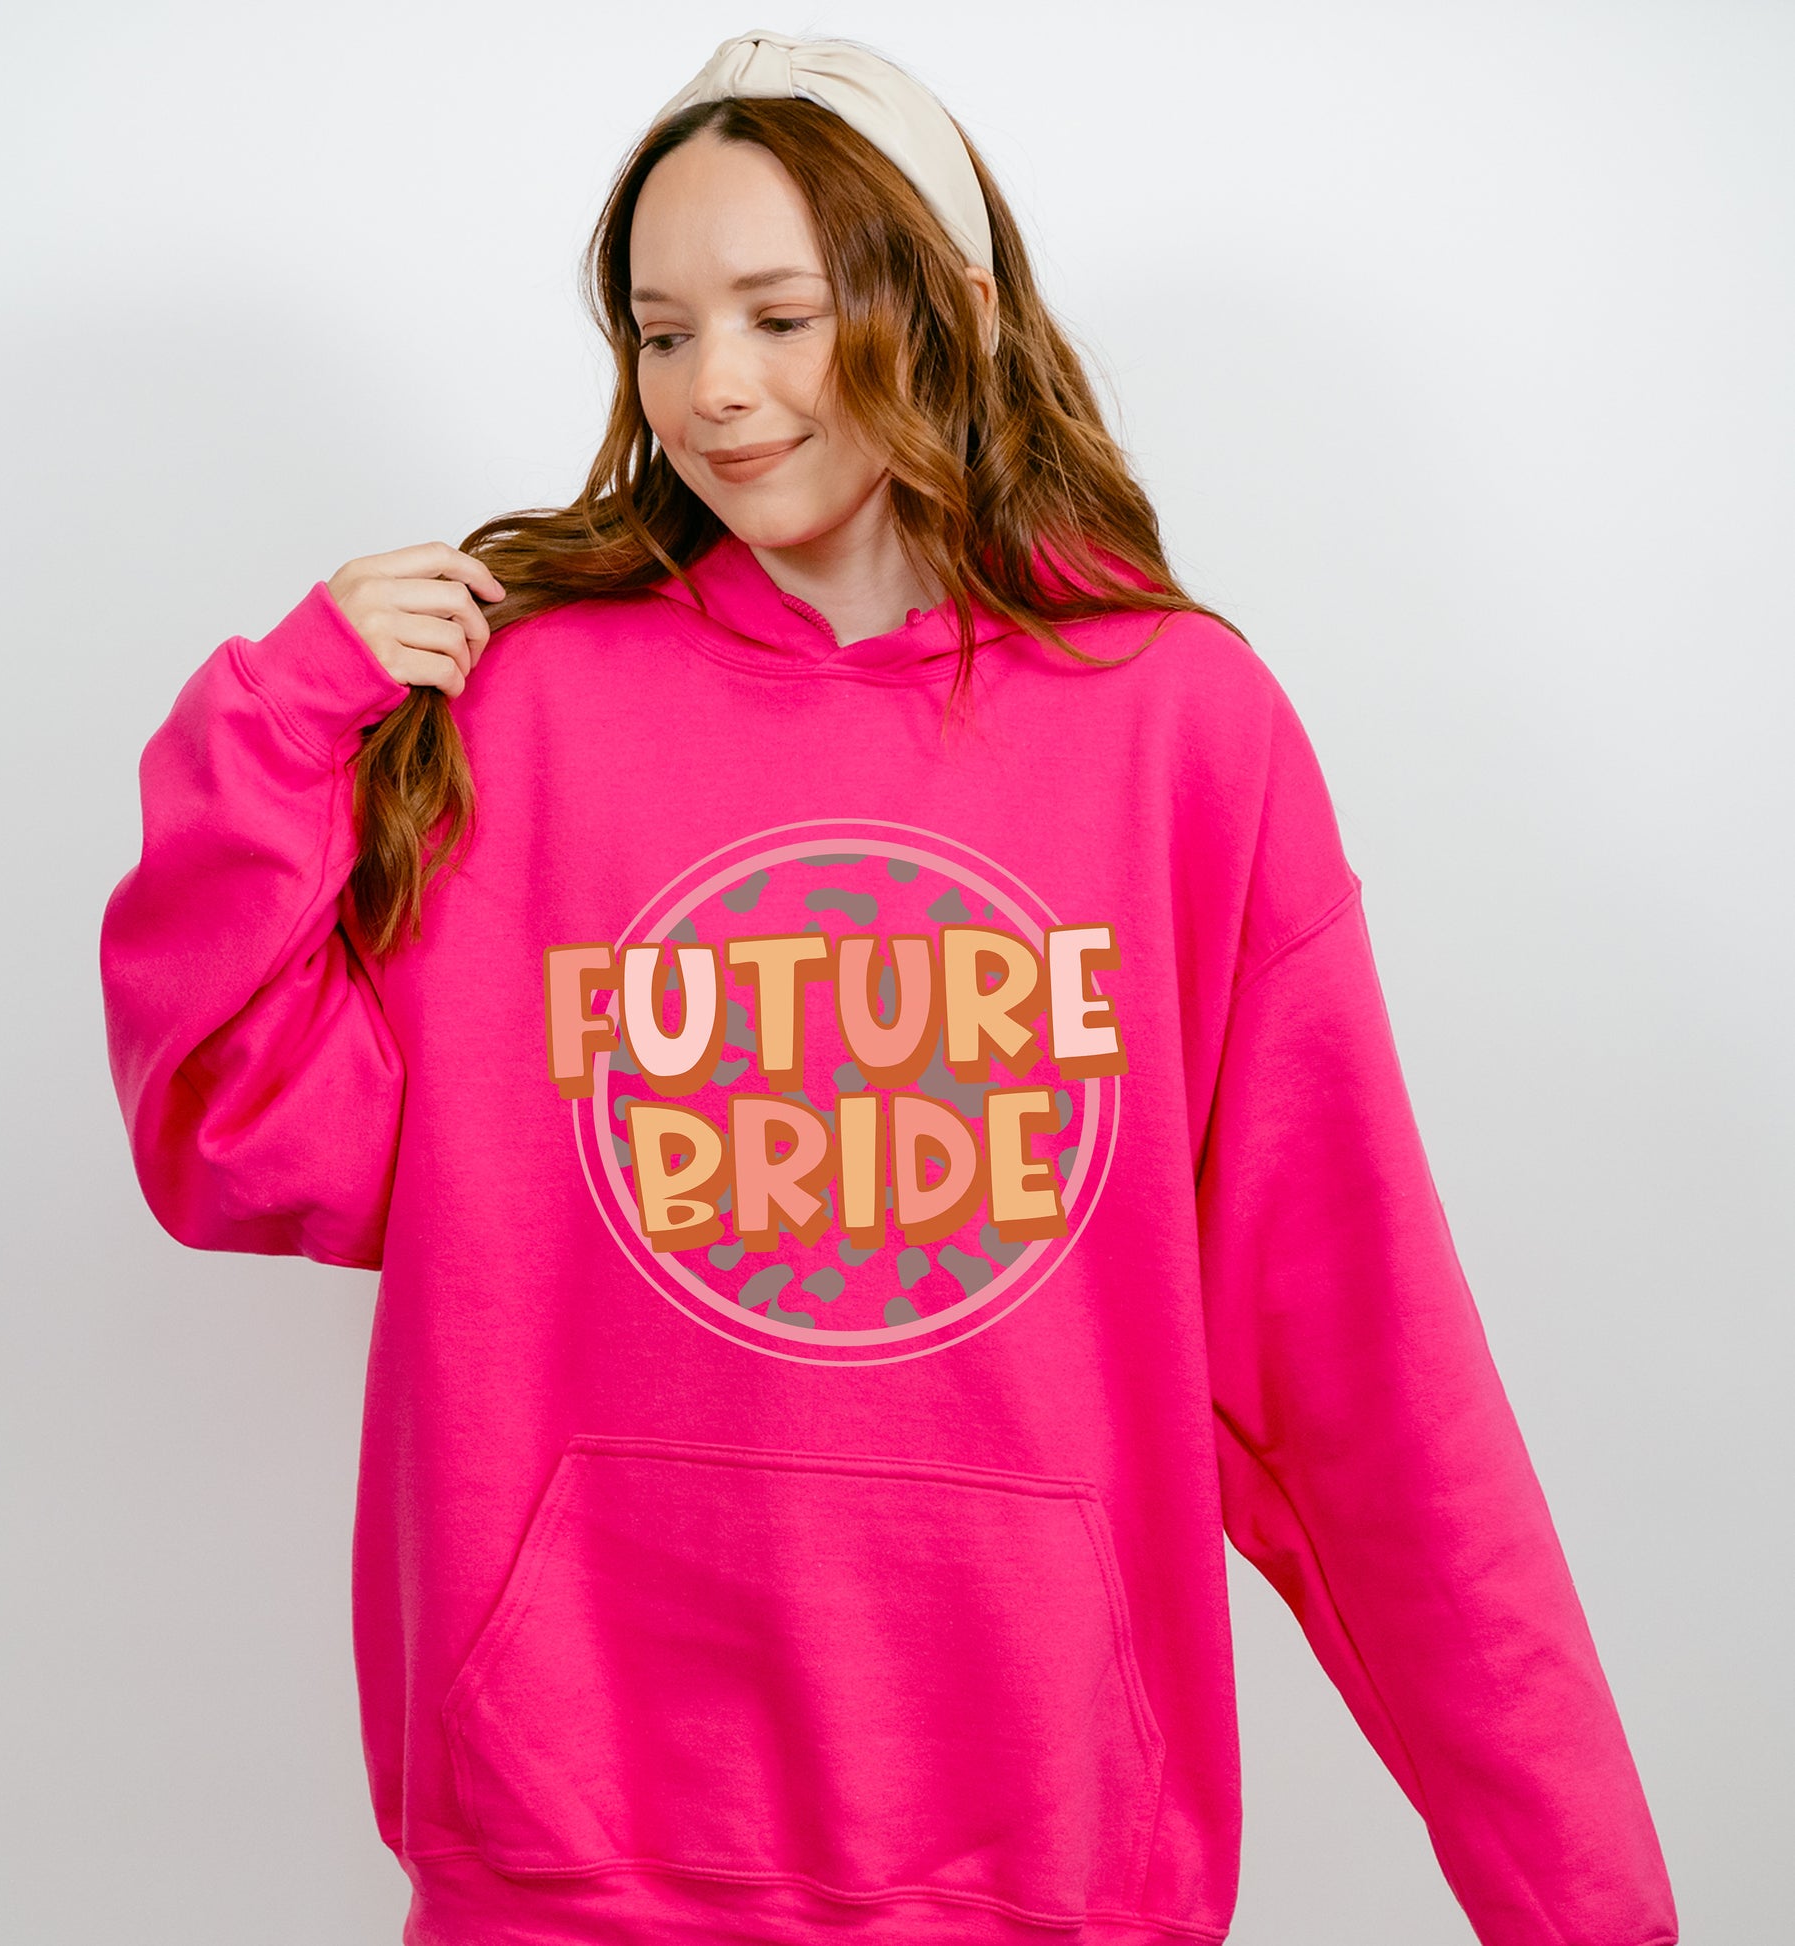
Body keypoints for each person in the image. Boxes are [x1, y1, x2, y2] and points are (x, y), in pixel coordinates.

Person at [100, 29, 1677, 1946]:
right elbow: (245, 1143)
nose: (713, 386)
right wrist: (276, 728)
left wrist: (1584, 1900)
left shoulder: (1174, 729)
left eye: (780, 314)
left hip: (1040, 1853)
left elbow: (1363, 1371)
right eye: (660, 331)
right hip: (573, 1845)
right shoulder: (534, 712)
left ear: (949, 309)